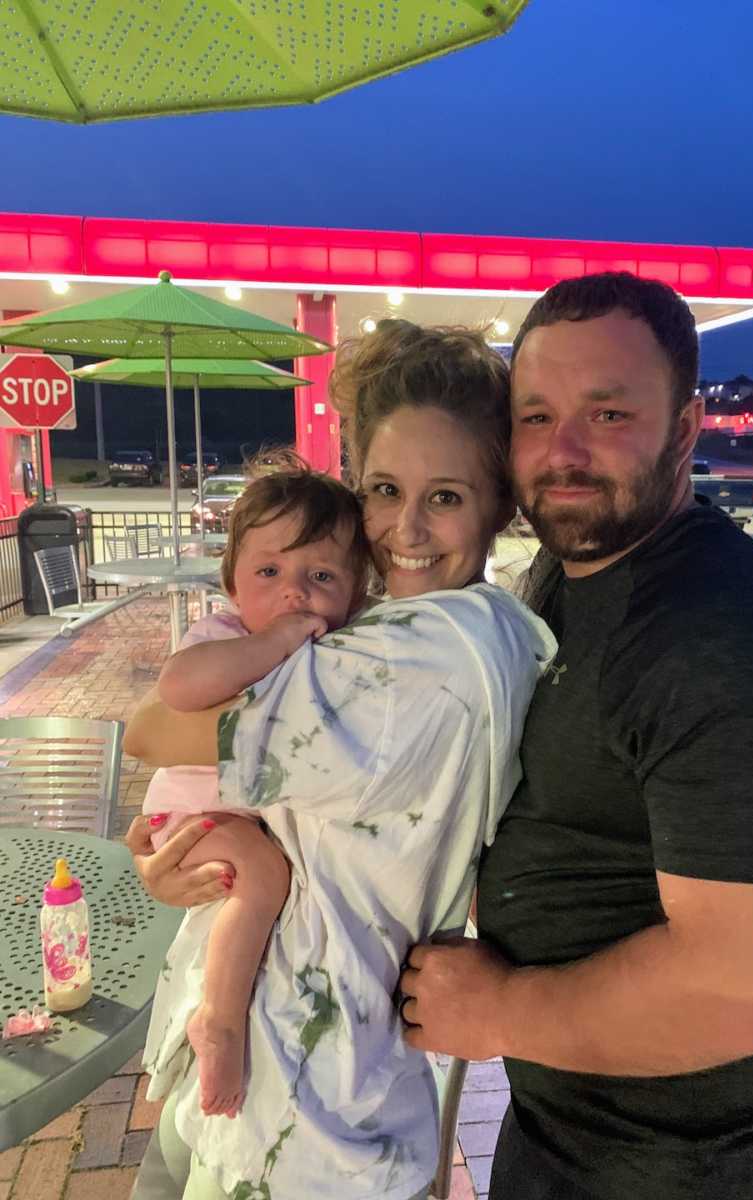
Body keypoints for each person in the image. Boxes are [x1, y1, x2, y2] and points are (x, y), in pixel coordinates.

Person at [399, 273, 753, 1200]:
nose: (562, 452)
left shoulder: (735, 629)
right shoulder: (558, 579)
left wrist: (499, 1010)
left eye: (607, 415)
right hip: (567, 1141)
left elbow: (749, 991)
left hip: (716, 1172)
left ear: (687, 429)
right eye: (536, 417)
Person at [122, 320, 557, 1200]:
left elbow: (152, 729)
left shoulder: (415, 664)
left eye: (446, 497)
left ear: (498, 506)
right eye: (385, 489)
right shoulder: (488, 627)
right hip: (302, 1067)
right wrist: (189, 866)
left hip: (300, 1108)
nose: (405, 527)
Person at [142, 459, 370, 1119]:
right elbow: (176, 693)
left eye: (321, 577)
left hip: (237, 821)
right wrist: (271, 642)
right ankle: (219, 1020)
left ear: (356, 593)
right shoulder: (227, 634)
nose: (292, 594)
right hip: (195, 816)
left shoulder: (344, 651)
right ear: (233, 583)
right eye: (268, 573)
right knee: (265, 873)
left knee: (265, 870)